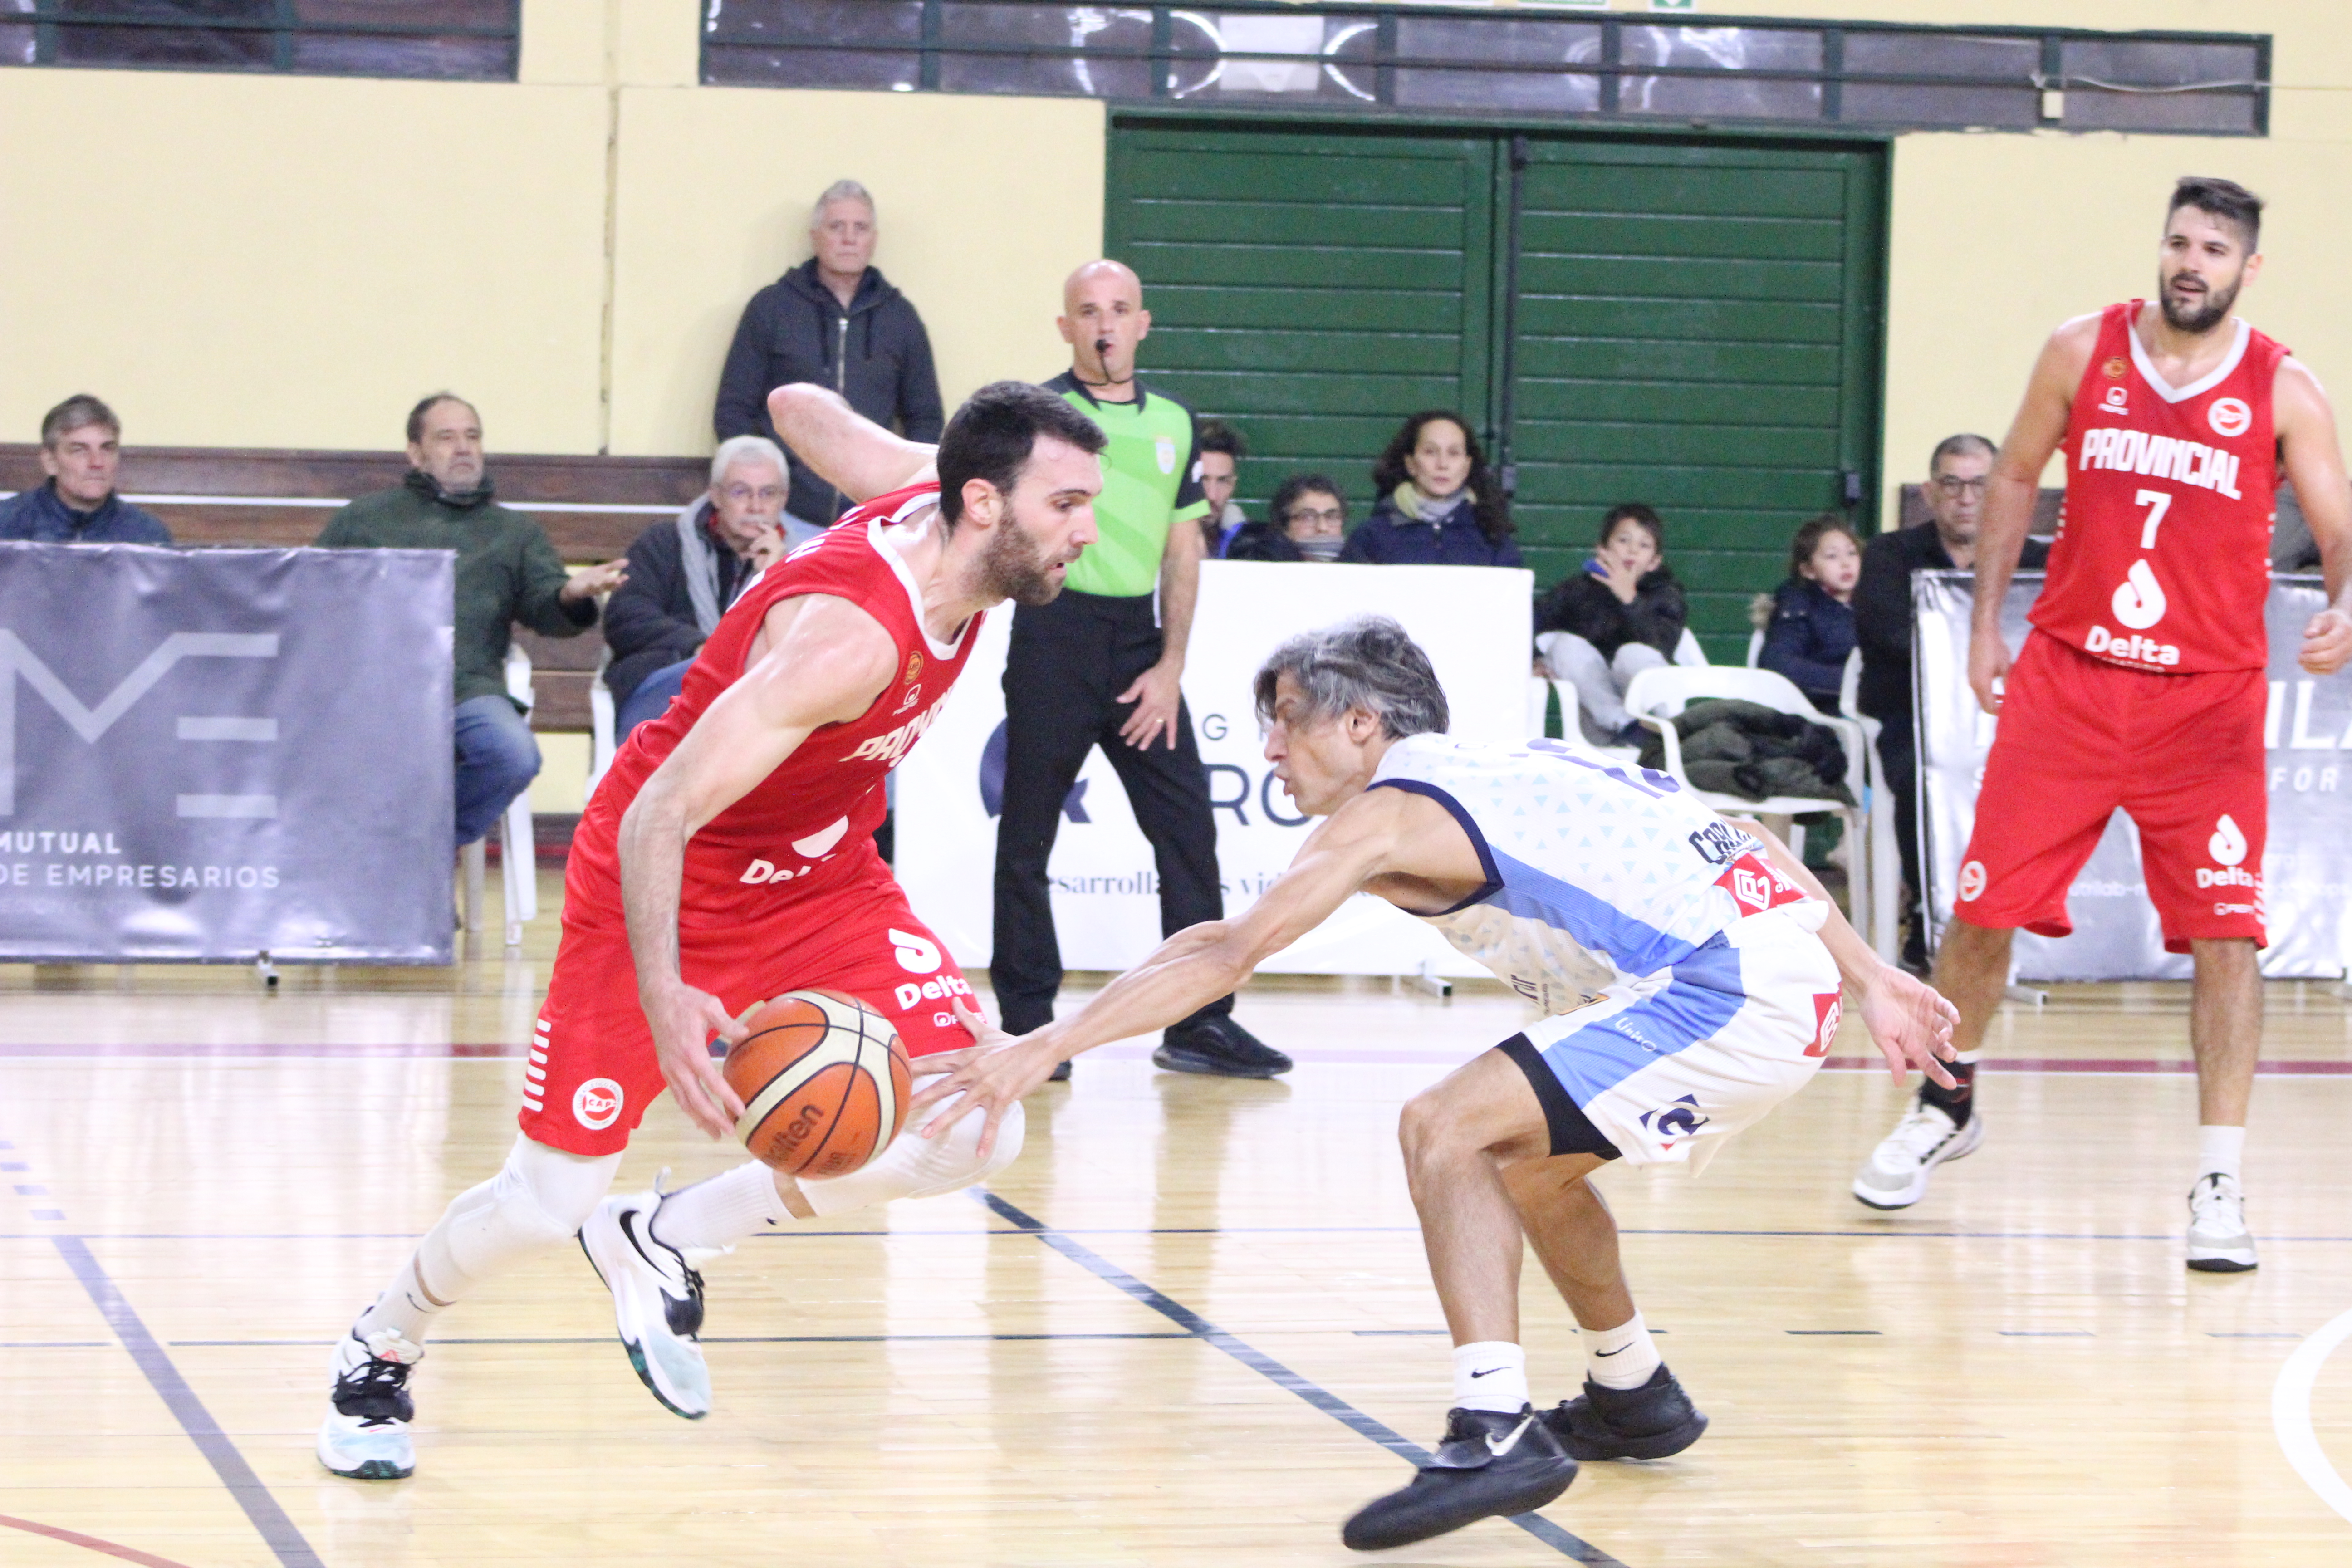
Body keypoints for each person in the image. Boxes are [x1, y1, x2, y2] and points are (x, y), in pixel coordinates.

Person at [914, 616, 1957, 1551]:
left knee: (1442, 1128)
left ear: (1361, 723)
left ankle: (1492, 1422)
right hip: (1769, 975)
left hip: (1723, 988)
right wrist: (1870, 977)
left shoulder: (1393, 809)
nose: (1269, 746)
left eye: (1283, 718)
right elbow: (1750, 841)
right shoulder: (1500, 763)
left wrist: (1037, 1048)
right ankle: (1631, 1389)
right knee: (1523, 1168)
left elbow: (1227, 956)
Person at [315, 380, 1109, 1482]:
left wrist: (915, 451)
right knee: (549, 1200)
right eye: (1067, 503)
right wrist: (665, 989)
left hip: (822, 875)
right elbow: (660, 812)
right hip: (667, 868)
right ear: (985, 504)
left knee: (976, 1124)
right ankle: (380, 1341)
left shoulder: (941, 503)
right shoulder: (848, 642)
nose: (1087, 527)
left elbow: (792, 402)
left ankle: (671, 1231)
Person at [1848, 178, 2352, 1275]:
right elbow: (2017, 473)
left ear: (2244, 269)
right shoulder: (2083, 349)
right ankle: (1945, 1098)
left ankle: (2218, 1176)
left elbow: (2338, 524)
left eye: (2213, 248)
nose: (2190, 261)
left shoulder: (2283, 388)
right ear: (2159, 250)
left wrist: (2342, 602)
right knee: (1981, 911)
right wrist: (1985, 625)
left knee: (2227, 937)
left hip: (2205, 701)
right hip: (2070, 679)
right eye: (2178, 241)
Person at [998, 259, 1290, 1082]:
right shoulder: (1039, 417)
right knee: (1026, 839)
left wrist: (1168, 664)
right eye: (1087, 311)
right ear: (1065, 327)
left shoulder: (1174, 420)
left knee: (1188, 831)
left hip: (1137, 648)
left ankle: (1198, 1023)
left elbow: (1182, 546)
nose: (1103, 325)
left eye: (1118, 310)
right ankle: (1027, 1024)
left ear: (1142, 323)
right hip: (1054, 636)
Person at [315, 394, 624, 849]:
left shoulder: (513, 533)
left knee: (513, 754)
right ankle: (396, 872)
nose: (464, 448)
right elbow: (312, 595)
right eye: (447, 438)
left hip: (467, 689)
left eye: (473, 436)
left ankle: (420, 855)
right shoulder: (364, 520)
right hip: (374, 691)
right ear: (416, 454)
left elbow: (549, 612)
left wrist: (569, 593)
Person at [1854, 435, 2048, 974]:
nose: (1966, 497)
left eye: (1981, 484)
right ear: (1930, 492)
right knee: (1924, 778)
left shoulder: (2036, 559)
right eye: (1952, 484)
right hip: (1913, 722)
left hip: (2012, 722)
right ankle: (1932, 920)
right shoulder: (1890, 556)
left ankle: (2024, 926)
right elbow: (1890, 635)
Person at [714, 179, 945, 540]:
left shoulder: (901, 319)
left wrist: (901, 498)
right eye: (837, 227)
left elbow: (926, 419)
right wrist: (773, 484)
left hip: (873, 520)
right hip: (785, 519)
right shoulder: (772, 309)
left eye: (861, 228)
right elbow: (733, 412)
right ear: (815, 235)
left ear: (874, 239)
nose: (849, 239)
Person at [603, 436, 791, 740]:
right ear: (715, 495)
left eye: (768, 493)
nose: (756, 505)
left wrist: (773, 580)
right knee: (712, 680)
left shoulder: (802, 560)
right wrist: (700, 648)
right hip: (671, 678)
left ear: (784, 499)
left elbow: (807, 639)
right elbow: (627, 617)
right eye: (741, 491)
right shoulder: (664, 543)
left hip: (761, 694)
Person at [1534, 504, 1688, 745]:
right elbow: (1531, 621)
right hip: (1599, 718)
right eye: (1623, 540)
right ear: (1602, 550)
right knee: (1565, 646)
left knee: (1632, 654)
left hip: (1652, 719)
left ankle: (1650, 730)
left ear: (1654, 562)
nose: (1632, 551)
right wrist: (1533, 660)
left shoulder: (1667, 595)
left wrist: (1630, 599)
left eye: (1644, 545)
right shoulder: (1579, 590)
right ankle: (1627, 726)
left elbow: (1660, 648)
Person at [1341, 411, 1521, 567]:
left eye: (1454, 453)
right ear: (1411, 464)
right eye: (1430, 452)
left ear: (1467, 466)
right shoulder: (1372, 537)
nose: (1442, 464)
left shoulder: (1493, 539)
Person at [0, 394, 170, 544]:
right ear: (50, 462)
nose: (97, 462)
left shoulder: (147, 537)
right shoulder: (7, 526)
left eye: (107, 449)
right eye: (80, 450)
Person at [1760, 513, 1862, 713]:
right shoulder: (1798, 604)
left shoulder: (1876, 598)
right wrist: (1852, 682)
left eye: (1852, 553)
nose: (1846, 563)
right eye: (1832, 556)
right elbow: (1778, 663)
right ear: (1808, 570)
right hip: (1819, 710)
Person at [1223, 473, 1345, 562]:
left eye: (1332, 517)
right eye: (1308, 517)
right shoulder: (1260, 566)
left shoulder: (1356, 565)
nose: (1323, 528)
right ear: (1284, 526)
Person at [1195, 417, 1247, 556]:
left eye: (1222, 481)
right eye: (1202, 479)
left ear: (1233, 485)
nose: (1212, 496)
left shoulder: (1242, 540)